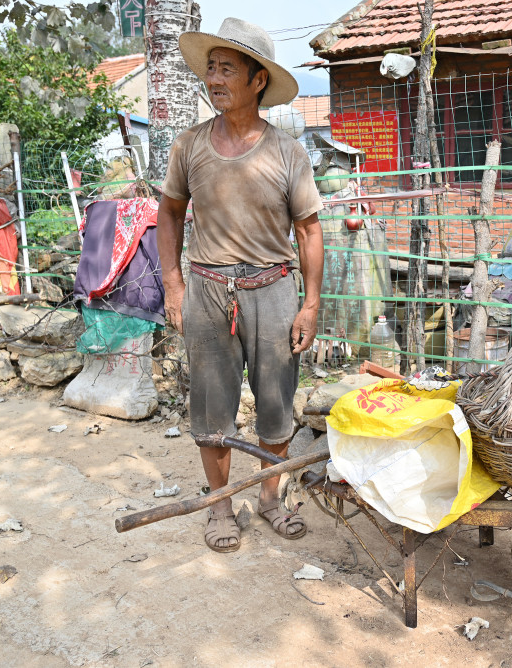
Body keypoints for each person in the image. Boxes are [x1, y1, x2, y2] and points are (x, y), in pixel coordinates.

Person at [156, 17, 324, 552]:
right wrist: (173, 285)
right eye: (211, 68)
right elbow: (169, 215)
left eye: (228, 68)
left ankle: (271, 499)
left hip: (274, 291)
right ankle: (220, 506)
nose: (215, 78)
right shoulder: (189, 147)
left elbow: (308, 230)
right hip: (207, 290)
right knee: (211, 408)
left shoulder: (286, 152)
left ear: (258, 81)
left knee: (276, 404)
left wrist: (310, 304)